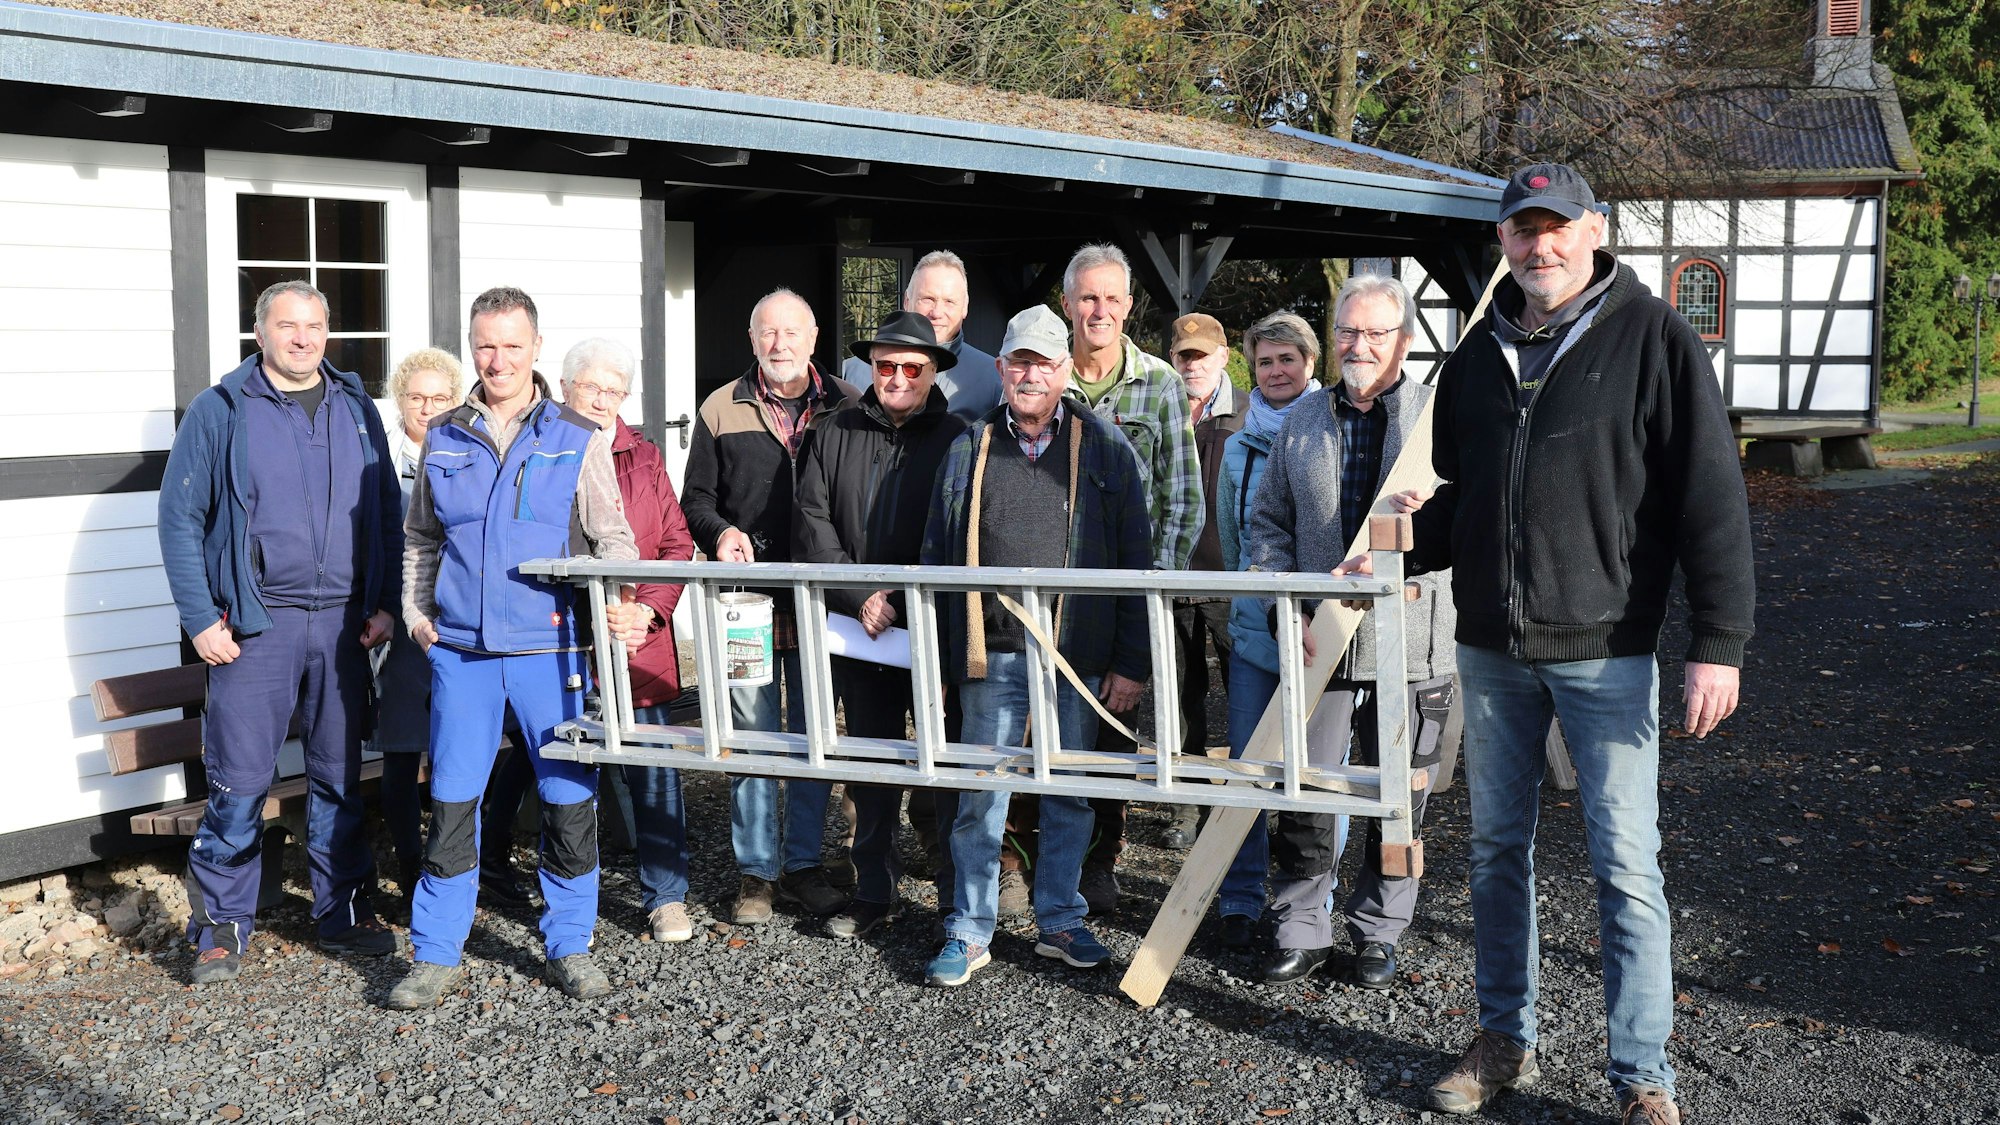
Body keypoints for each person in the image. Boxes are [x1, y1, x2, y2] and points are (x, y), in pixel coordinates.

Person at [1365, 164, 1754, 1125]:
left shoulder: (1653, 336)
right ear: (1503, 243)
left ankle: (1641, 1077)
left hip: (1607, 650)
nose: (1538, 247)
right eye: (1520, 231)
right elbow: (1467, 495)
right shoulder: (1474, 356)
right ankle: (1504, 1038)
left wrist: (1720, 641)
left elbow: (1710, 496)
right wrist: (1400, 540)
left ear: (1595, 229)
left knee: (1626, 866)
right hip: (1492, 650)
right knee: (1498, 850)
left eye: (1555, 228)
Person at [387, 287, 646, 1009]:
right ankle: (436, 952)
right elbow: (420, 540)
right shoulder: (443, 434)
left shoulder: (576, 434)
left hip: (550, 654)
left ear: (536, 348)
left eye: (511, 345)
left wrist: (622, 607)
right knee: (452, 801)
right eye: (485, 345)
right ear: (472, 347)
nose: (497, 360)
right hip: (462, 656)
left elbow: (614, 540)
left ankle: (570, 945)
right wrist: (415, 613)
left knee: (568, 802)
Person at [157, 279, 403, 984]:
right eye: (288, 326)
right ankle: (220, 927)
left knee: (337, 775)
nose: (303, 338)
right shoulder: (221, 408)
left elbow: (385, 507)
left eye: (315, 326)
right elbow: (179, 519)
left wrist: (384, 600)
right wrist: (200, 616)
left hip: (343, 625)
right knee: (238, 780)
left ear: (328, 333)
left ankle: (343, 910)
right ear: (259, 332)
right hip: (255, 627)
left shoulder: (356, 406)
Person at [917, 304, 1152, 987]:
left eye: (1044, 362)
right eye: (1019, 360)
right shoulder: (968, 446)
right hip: (988, 651)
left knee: (1070, 792)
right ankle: (970, 926)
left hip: (1076, 655)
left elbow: (1138, 562)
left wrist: (1130, 662)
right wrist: (933, 660)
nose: (1029, 373)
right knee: (980, 796)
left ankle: (1059, 918)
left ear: (1065, 370)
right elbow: (936, 555)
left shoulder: (1106, 449)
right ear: (1001, 367)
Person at [1239, 281, 1455, 990]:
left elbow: (1482, 516)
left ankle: (1377, 930)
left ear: (1406, 338)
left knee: (1400, 800)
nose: (1358, 346)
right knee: (1305, 793)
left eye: (1375, 333)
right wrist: (1286, 605)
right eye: (1347, 332)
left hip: (1417, 642)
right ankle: (1301, 926)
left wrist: (1438, 512)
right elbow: (1267, 522)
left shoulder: (1438, 417)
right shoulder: (1302, 418)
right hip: (1319, 640)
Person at [681, 288, 858, 926]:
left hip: (818, 599)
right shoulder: (720, 407)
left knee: (814, 733)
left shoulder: (847, 404)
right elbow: (695, 498)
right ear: (752, 339)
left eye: (791, 333)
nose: (779, 344)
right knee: (750, 735)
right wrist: (719, 530)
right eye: (767, 333)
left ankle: (805, 864)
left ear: (813, 339)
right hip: (745, 602)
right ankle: (756, 872)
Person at [795, 311, 969, 938]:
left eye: (911, 367)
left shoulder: (960, 438)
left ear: (932, 373)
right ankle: (874, 888)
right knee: (870, 766)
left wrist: (902, 591)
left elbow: (960, 531)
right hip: (858, 629)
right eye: (886, 365)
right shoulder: (832, 429)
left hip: (931, 627)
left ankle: (956, 897)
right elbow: (811, 521)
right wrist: (858, 592)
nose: (896, 377)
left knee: (944, 764)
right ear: (872, 368)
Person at [1042, 242, 1200, 912]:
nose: (1099, 310)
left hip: (1124, 595)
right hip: (1050, 597)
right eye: (1088, 297)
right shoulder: (1044, 376)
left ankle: (1100, 859)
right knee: (1039, 726)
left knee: (1112, 726)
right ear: (1068, 303)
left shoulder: (1158, 383)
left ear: (1130, 305)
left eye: (1112, 297)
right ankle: (1032, 861)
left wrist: (1144, 593)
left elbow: (1183, 498)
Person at [560, 338, 698, 945]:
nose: (602, 399)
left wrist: (648, 611)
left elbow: (676, 543)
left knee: (654, 770)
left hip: (639, 640)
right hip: (562, 642)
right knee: (567, 768)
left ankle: (665, 895)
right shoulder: (544, 451)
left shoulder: (642, 456)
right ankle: (571, 898)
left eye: (614, 390)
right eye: (591, 386)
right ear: (566, 388)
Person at [1211, 312, 1324, 954]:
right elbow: (1232, 537)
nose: (1276, 372)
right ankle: (1239, 895)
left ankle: (1308, 903)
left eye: (1287, 360)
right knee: (1248, 765)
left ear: (1309, 364)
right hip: (1256, 625)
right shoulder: (1237, 447)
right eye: (1265, 363)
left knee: (1317, 768)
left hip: (1322, 628)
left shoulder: (1332, 429)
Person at [375, 347, 465, 903]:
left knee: (460, 749)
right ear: (399, 399)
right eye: (416, 397)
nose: (427, 409)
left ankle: (454, 864)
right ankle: (410, 869)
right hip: (403, 623)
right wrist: (387, 609)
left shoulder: (464, 450)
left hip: (459, 621)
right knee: (404, 750)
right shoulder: (380, 461)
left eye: (440, 398)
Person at [1160, 312, 1241, 850]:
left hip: (1234, 583)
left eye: (1201, 356)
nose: (1192, 366)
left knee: (1247, 695)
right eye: (1183, 356)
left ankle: (1247, 803)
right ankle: (1187, 806)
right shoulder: (1161, 409)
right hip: (1172, 576)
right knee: (1177, 699)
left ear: (1223, 356)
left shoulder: (1253, 413)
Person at [839, 250, 1000, 424]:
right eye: (928, 299)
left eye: (949, 301)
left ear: (964, 308)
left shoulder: (993, 378)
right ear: (907, 302)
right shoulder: (853, 371)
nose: (937, 313)